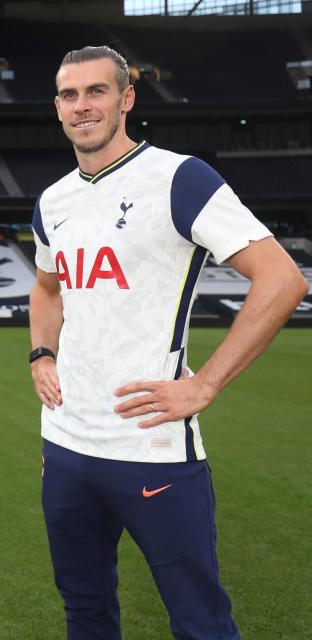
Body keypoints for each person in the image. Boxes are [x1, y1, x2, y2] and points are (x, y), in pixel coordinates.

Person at [28, 46, 308, 639]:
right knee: (84, 608)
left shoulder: (179, 178)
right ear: (57, 107)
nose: (83, 106)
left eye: (97, 91)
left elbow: (282, 279)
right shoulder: (53, 201)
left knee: (201, 622)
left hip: (153, 450)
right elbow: (47, 289)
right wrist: (41, 353)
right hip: (68, 445)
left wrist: (204, 384)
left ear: (126, 99)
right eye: (70, 95)